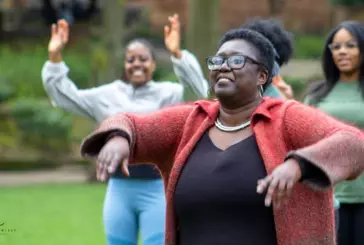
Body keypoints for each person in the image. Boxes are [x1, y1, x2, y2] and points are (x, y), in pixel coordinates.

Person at [81, 28, 364, 245]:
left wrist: (297, 166)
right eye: (217, 60)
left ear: (262, 76)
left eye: (236, 60)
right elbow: (132, 124)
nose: (223, 67)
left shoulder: (286, 117)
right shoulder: (191, 119)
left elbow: (353, 143)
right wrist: (120, 137)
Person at [41, 19, 205, 245]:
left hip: (157, 189)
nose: (136, 64)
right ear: (125, 65)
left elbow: (201, 92)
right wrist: (55, 58)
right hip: (119, 190)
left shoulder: (170, 94)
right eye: (131, 60)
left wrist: (178, 54)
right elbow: (65, 97)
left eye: (143, 59)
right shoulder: (107, 96)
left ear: (154, 64)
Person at [305, 21, 364, 245]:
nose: (342, 52)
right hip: (329, 197)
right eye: (336, 47)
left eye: (350, 45)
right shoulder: (316, 95)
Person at [165, 14, 293, 99]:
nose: (226, 67)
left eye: (237, 61)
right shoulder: (219, 104)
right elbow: (197, 90)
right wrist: (178, 56)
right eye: (221, 60)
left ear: (264, 74)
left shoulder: (282, 109)